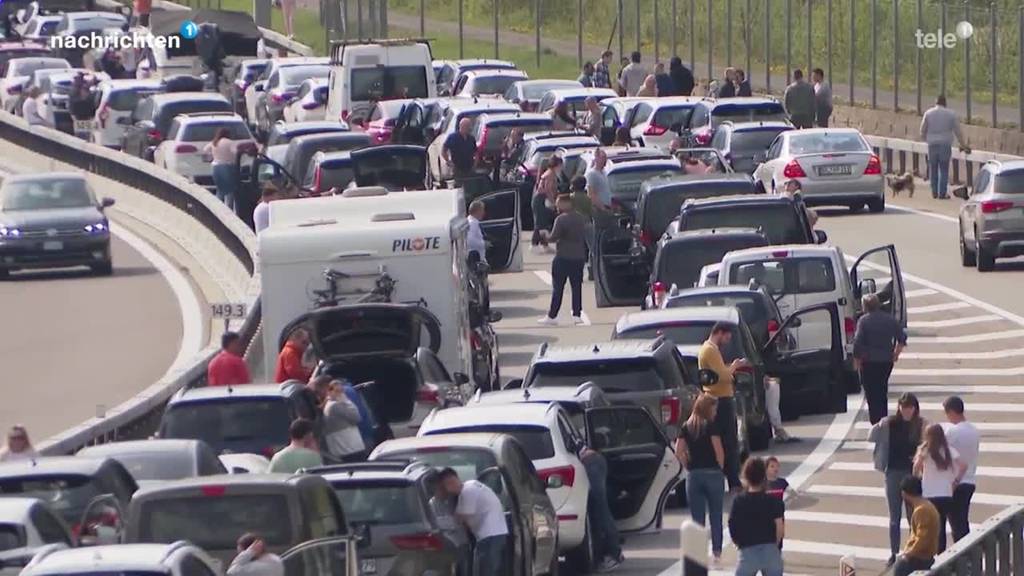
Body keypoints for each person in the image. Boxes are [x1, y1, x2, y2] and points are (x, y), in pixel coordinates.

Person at [870, 393, 925, 565]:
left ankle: (912, 550)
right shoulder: (890, 423)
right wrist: (879, 424)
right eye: (904, 407)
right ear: (899, 408)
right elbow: (871, 436)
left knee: (912, 516)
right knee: (894, 516)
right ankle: (893, 553)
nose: (907, 411)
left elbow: (928, 443)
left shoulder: (920, 425)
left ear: (915, 409)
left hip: (912, 474)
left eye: (910, 407)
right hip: (893, 472)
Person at [698, 323, 750, 490]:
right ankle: (733, 480)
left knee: (723, 441)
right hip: (720, 399)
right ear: (719, 333)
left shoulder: (708, 349)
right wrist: (734, 366)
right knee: (729, 441)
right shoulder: (710, 350)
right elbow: (724, 376)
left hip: (716, 398)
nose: (727, 341)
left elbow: (718, 373)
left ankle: (730, 478)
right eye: (727, 337)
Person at [674, 394, 725, 564]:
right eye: (714, 408)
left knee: (697, 519)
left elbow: (678, 450)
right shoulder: (711, 426)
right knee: (716, 515)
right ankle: (717, 553)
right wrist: (721, 467)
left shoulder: (686, 427)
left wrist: (687, 463)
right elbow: (719, 451)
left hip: (694, 476)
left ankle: (699, 554)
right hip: (712, 473)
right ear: (707, 408)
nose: (716, 411)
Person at [439, 467, 508, 576]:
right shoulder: (468, 488)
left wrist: (440, 522)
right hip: (490, 534)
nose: (450, 487)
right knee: (483, 569)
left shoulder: (468, 491)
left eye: (451, 482)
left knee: (487, 570)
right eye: (447, 485)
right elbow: (459, 516)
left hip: (491, 535)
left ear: (455, 479)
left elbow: (462, 517)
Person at [854, 293, 909, 424]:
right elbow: (902, 337)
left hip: (869, 362)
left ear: (865, 306)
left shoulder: (864, 321)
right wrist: (896, 354)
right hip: (886, 361)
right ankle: (883, 419)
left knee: (871, 393)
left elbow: (857, 343)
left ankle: (875, 422)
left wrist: (857, 362)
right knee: (882, 389)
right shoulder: (889, 319)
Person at [729, 458, 785, 576]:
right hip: (770, 551)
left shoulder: (738, 501)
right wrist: (774, 545)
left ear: (746, 477)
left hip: (747, 552)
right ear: (764, 477)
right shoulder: (774, 501)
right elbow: (780, 528)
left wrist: (739, 544)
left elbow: (732, 527)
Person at [914, 423, 964, 553]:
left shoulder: (925, 450)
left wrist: (918, 477)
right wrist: (956, 481)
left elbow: (916, 467)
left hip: (930, 493)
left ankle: (935, 553)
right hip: (946, 493)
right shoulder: (949, 450)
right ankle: (942, 553)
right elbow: (963, 465)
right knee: (942, 524)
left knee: (932, 527)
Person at [538, 194, 588, 326]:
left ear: (567, 204)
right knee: (576, 287)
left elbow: (554, 237)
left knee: (558, 287)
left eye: (559, 203)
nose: (556, 206)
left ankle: (552, 315)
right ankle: (577, 314)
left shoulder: (561, 219)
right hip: (578, 256)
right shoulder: (581, 218)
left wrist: (545, 237)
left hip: (563, 256)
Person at [578, 442, 624, 571]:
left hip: (589, 462)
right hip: (591, 460)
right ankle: (607, 554)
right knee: (596, 512)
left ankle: (614, 553)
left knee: (600, 509)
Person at [942, 396, 979, 543]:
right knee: (962, 521)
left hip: (956, 482)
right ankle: (968, 556)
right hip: (970, 480)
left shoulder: (953, 432)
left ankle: (963, 558)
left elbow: (942, 450)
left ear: (951, 412)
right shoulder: (974, 431)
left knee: (956, 523)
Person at [920, 95, 968, 199]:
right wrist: (962, 144)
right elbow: (957, 131)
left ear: (935, 102)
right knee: (944, 169)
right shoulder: (951, 114)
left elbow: (922, 129)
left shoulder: (928, 113)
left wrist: (926, 139)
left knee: (933, 168)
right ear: (945, 103)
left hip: (932, 144)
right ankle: (942, 192)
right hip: (945, 144)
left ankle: (934, 191)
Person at [894, 476, 940, 576]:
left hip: (921, 558)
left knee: (899, 567)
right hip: (923, 556)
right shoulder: (927, 505)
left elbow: (922, 539)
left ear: (904, 493)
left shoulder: (922, 510)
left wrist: (909, 554)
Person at [322, 380, 365, 462]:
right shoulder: (335, 406)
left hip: (347, 448)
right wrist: (347, 401)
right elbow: (357, 417)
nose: (340, 394)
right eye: (337, 391)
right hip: (349, 449)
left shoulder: (331, 404)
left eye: (342, 391)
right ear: (329, 392)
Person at [204, 128, 242, 212]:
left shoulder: (214, 142)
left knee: (220, 190)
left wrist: (211, 157)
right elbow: (236, 152)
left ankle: (217, 211)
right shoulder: (229, 142)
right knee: (229, 191)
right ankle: (228, 211)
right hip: (227, 167)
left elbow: (205, 149)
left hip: (215, 167)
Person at [531, 155, 560, 250]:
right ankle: (534, 244)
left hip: (541, 199)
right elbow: (548, 189)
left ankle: (544, 244)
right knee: (540, 223)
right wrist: (553, 202)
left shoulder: (549, 173)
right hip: (541, 200)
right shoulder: (550, 174)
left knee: (543, 223)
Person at [467, 199, 488, 264]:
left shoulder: (472, 222)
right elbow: (470, 240)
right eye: (482, 210)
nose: (484, 213)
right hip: (476, 260)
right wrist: (484, 244)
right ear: (477, 211)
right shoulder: (472, 223)